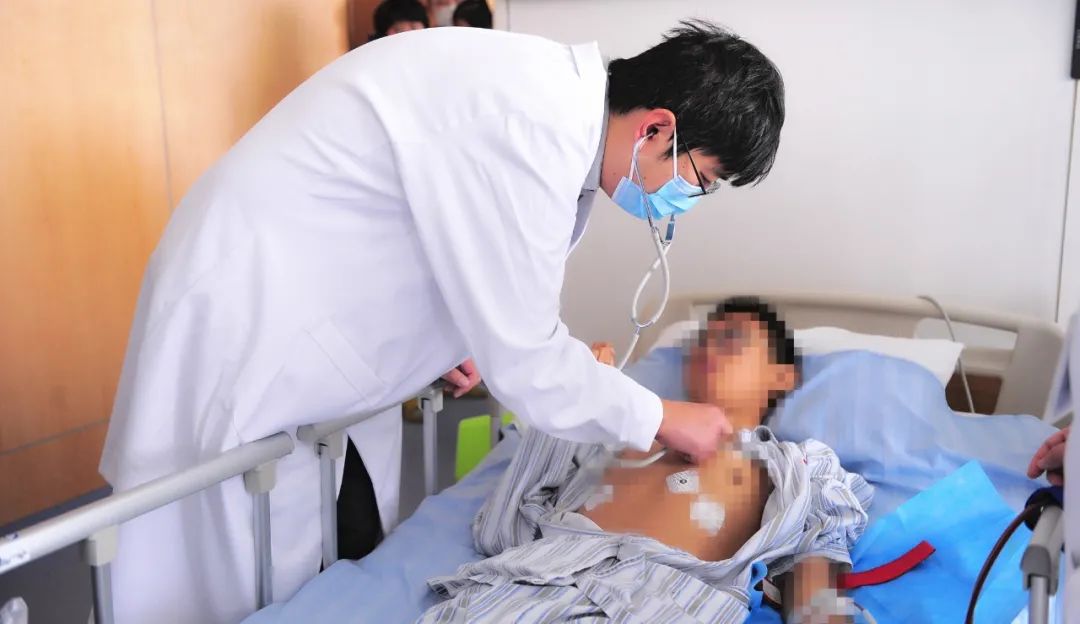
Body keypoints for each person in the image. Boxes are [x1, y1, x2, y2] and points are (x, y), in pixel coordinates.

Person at [100, 21, 784, 622]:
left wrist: (458, 337)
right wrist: (660, 416)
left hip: (316, 331)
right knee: (209, 561)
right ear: (656, 129)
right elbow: (534, 365)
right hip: (250, 312)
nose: (689, 199)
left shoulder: (545, 116)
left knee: (311, 540)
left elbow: (456, 251)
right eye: (701, 179)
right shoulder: (531, 125)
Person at [419, 298, 871, 622]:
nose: (708, 350)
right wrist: (581, 394)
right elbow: (501, 530)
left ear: (783, 375)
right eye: (702, 343)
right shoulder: (613, 429)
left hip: (655, 602)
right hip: (521, 593)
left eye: (731, 339)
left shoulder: (798, 465)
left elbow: (817, 567)